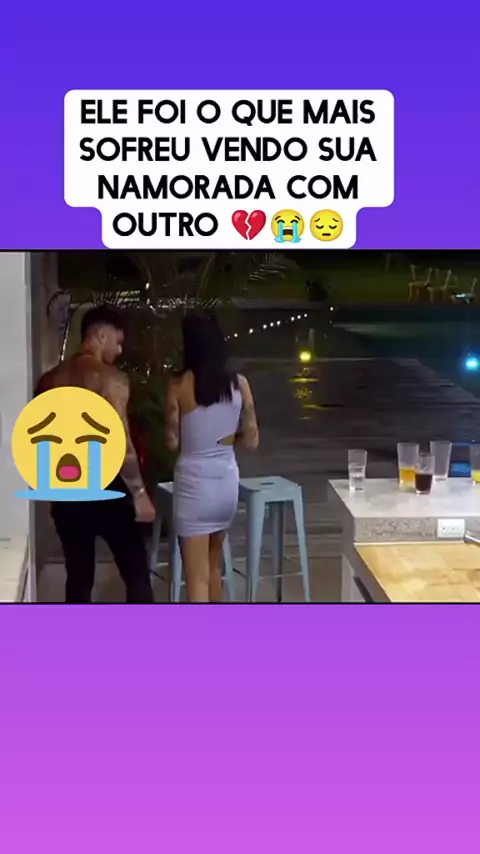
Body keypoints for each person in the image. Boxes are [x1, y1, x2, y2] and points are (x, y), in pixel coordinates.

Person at [35, 304, 155, 604]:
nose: (120, 349)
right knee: (136, 572)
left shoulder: (48, 381)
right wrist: (139, 493)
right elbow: (121, 441)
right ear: (101, 335)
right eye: (118, 341)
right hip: (108, 486)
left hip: (67, 488)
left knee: (78, 577)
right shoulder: (111, 379)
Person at [165, 312, 259, 603]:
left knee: (197, 578)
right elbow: (252, 441)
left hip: (195, 487)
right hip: (225, 485)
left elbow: (172, 441)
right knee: (214, 568)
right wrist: (228, 438)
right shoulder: (240, 384)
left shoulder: (178, 385)